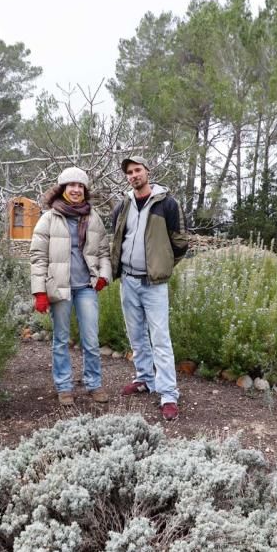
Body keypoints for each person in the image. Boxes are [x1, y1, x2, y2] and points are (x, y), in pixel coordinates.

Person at [110, 155, 189, 421]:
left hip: (154, 284)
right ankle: (144, 378)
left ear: (147, 171)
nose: (134, 175)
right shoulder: (123, 205)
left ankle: (168, 394)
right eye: (129, 172)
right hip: (129, 281)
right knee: (136, 336)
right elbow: (117, 238)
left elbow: (180, 243)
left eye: (137, 170)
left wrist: (162, 266)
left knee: (160, 339)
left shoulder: (166, 203)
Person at [30, 167, 112, 406]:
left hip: (86, 287)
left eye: (80, 186)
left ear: (84, 190)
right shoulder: (49, 218)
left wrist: (103, 276)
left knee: (91, 340)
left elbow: (104, 251)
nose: (76, 190)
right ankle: (64, 386)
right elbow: (37, 257)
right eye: (71, 185)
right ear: (62, 189)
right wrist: (39, 292)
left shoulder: (93, 217)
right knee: (61, 340)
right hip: (59, 287)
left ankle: (94, 384)